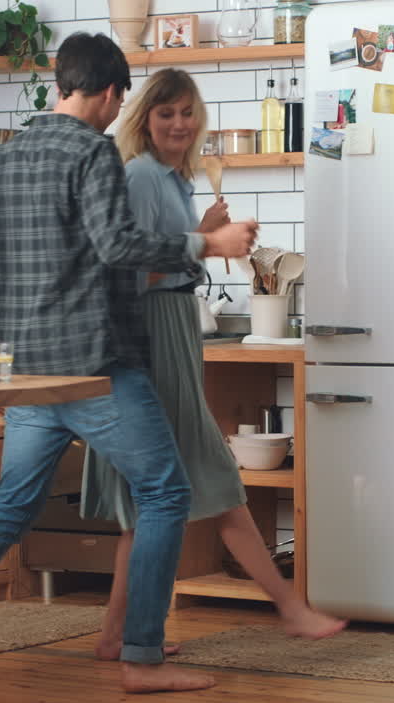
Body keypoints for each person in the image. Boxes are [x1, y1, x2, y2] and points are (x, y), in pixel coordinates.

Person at [0, 33, 258, 694]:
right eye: (120, 101)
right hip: (91, 363)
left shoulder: (1, 158)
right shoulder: (94, 152)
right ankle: (141, 658)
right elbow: (118, 245)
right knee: (166, 491)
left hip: (23, 367)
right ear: (109, 93)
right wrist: (207, 240)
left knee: (8, 510)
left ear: (62, 81)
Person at [80, 68, 346, 662]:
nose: (179, 123)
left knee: (146, 504)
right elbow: (127, 271)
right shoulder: (145, 177)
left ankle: (112, 635)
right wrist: (204, 245)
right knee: (219, 481)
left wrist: (200, 234)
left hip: (169, 333)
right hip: (153, 337)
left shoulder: (175, 181)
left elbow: (163, 254)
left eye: (187, 112)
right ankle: (289, 607)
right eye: (165, 112)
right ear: (144, 118)